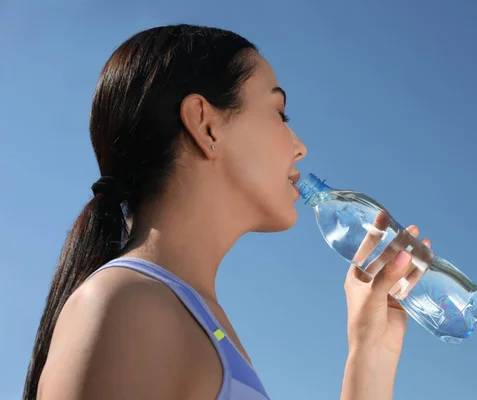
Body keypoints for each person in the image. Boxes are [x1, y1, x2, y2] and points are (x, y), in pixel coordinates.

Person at [23, 24, 431, 400]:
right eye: (279, 113)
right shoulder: (130, 306)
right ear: (205, 125)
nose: (299, 146)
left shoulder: (181, 314)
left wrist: (371, 348)